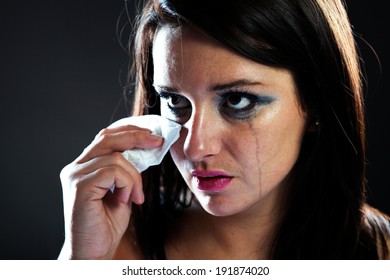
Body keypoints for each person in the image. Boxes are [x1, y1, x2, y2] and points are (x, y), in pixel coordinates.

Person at [58, 0, 390, 259]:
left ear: (316, 103)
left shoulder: (378, 254)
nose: (195, 147)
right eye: (174, 100)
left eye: (237, 101)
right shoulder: (111, 251)